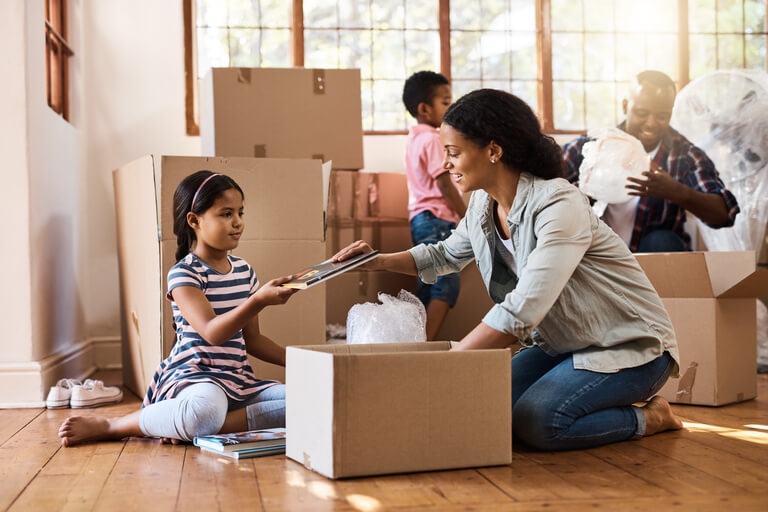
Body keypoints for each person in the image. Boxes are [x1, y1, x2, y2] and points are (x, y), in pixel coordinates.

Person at [333, 89, 683, 451]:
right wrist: (377, 260)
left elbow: (523, 309)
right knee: (489, 404)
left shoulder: (559, 204)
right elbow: (444, 255)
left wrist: (442, 367)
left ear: (494, 150)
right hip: (563, 343)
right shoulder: (483, 204)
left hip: (628, 345)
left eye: (453, 152)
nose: (446, 164)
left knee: (538, 421)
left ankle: (651, 418)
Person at [58, 171, 298, 446]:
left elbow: (253, 339)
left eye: (240, 212)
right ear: (194, 220)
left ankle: (184, 424)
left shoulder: (244, 271)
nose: (237, 222)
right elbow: (212, 332)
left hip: (238, 382)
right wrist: (258, 300)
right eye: (226, 214)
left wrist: (301, 361)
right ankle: (115, 425)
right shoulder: (184, 274)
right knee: (204, 413)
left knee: (315, 398)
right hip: (195, 379)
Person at [563, 70, 740, 253]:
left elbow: (725, 215)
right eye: (642, 113)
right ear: (625, 106)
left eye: (662, 116)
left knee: (662, 240)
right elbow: (544, 186)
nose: (651, 124)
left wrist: (676, 191)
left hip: (654, 260)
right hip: (599, 258)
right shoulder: (592, 148)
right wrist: (574, 197)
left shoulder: (684, 155)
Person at [402, 71, 466, 339]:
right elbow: (444, 185)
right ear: (424, 109)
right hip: (436, 218)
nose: (450, 108)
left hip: (421, 218)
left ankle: (417, 341)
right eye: (445, 102)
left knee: (428, 284)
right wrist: (467, 216)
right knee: (445, 284)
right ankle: (424, 346)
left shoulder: (414, 138)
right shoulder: (432, 139)